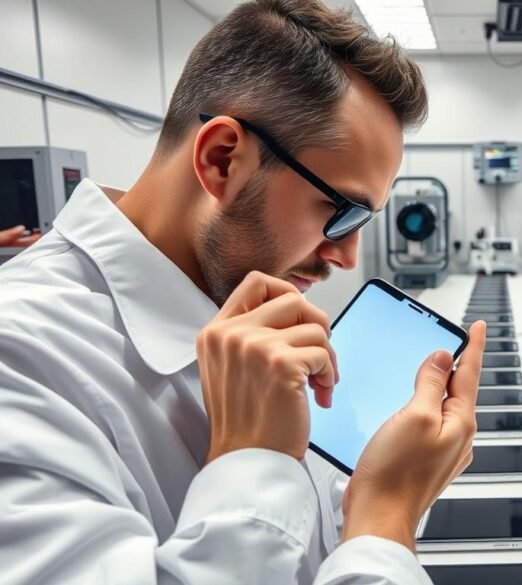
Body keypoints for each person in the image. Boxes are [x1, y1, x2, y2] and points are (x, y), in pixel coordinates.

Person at [0, 1, 485, 583]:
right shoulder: (22, 362)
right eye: (339, 212)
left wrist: (381, 489)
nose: (346, 255)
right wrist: (382, 519)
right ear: (222, 159)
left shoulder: (258, 315)